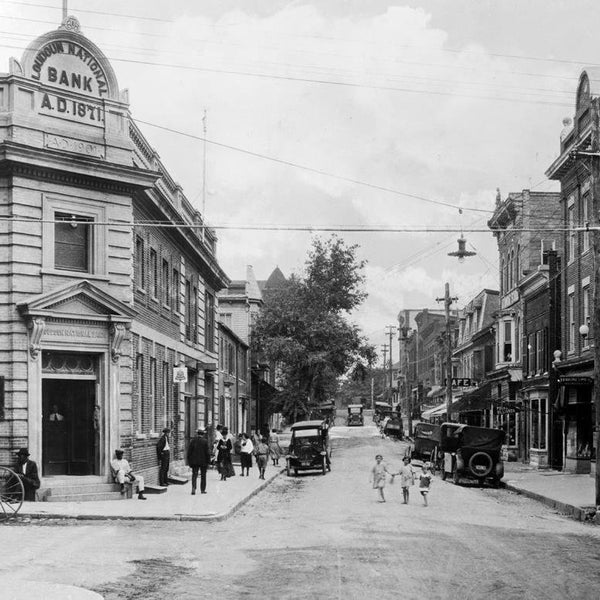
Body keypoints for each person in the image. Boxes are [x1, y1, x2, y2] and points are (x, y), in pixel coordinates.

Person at [187, 429, 211, 495]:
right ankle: (202, 490)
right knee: (203, 476)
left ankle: (193, 488)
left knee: (194, 475)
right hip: (203, 462)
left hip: (194, 462)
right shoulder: (205, 441)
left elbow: (189, 452)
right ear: (203, 434)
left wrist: (189, 462)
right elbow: (207, 453)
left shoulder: (193, 441)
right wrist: (208, 462)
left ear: (197, 434)